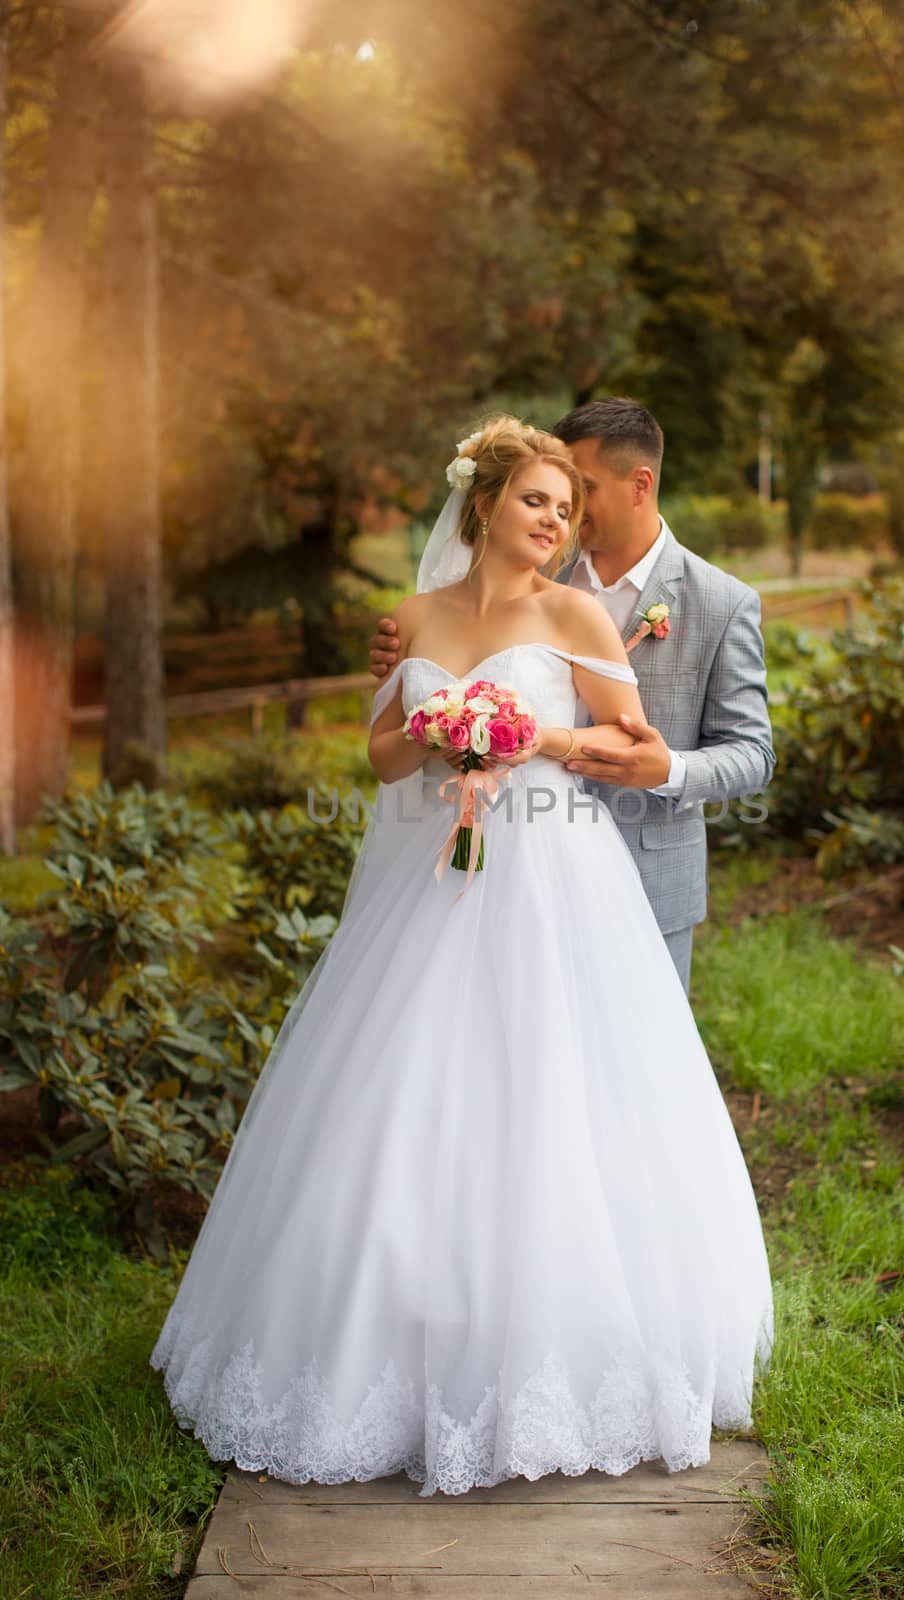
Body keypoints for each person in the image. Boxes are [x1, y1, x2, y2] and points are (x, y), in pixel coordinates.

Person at [149, 416, 774, 1500]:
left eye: (566, 507)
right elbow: (382, 753)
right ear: (482, 503)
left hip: (553, 878)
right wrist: (438, 736)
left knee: (546, 1094)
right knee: (402, 1096)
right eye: (537, 500)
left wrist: (530, 736)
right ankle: (388, 1333)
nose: (554, 520)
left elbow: (628, 744)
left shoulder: (576, 612)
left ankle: (551, 1336)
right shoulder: (412, 619)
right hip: (428, 881)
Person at [370, 398, 776, 995]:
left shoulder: (722, 602)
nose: (563, 516)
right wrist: (410, 683)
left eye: (578, 492)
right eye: (543, 499)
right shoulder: (528, 568)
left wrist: (668, 768)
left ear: (640, 484)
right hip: (470, 857)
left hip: (639, 868)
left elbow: (754, 753)